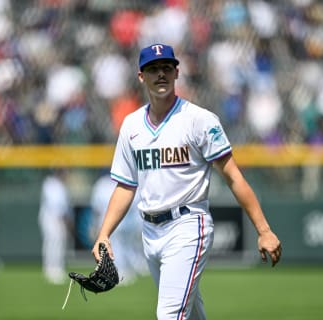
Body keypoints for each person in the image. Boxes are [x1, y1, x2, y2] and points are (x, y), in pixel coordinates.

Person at [92, 43, 282, 320]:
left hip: (188, 225)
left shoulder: (199, 120)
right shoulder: (131, 126)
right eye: (153, 69)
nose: (161, 75)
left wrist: (264, 230)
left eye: (166, 68)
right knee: (190, 314)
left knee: (169, 315)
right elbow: (126, 186)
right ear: (141, 76)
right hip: (150, 231)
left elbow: (233, 176)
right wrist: (104, 234)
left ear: (177, 73)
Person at [90, 172, 147, 286]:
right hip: (125, 219)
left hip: (108, 221)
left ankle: (121, 271)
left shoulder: (100, 184)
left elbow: (95, 207)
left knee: (118, 247)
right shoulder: (123, 182)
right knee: (124, 246)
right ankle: (124, 270)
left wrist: (95, 224)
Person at [38, 168, 75, 284]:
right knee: (53, 243)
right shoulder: (52, 185)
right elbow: (58, 207)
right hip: (52, 218)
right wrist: (67, 221)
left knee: (58, 243)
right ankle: (51, 269)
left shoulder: (59, 186)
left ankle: (56, 267)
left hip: (57, 218)